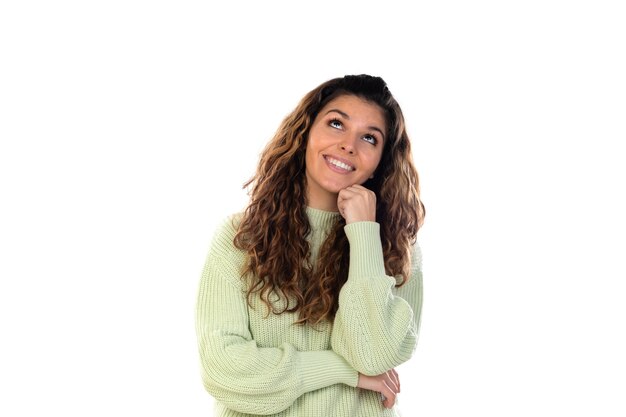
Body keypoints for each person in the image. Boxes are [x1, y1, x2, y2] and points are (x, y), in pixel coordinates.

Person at [196, 74, 425, 416]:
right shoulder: (239, 238)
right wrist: (344, 371)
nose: (349, 145)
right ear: (305, 132)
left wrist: (364, 233)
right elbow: (223, 370)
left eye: (369, 138)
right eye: (336, 123)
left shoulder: (396, 252)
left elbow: (373, 356)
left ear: (382, 160)